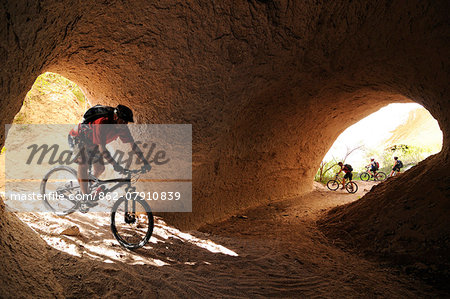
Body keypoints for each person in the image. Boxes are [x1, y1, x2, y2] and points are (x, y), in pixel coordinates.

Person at [68, 104, 151, 202]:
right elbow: (102, 149)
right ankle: (85, 196)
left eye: (126, 122)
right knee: (83, 162)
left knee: (100, 169)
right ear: (115, 117)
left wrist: (145, 162)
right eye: (122, 121)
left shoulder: (122, 128)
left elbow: (133, 145)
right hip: (78, 137)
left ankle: (86, 184)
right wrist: (115, 165)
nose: (124, 124)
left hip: (93, 143)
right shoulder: (103, 123)